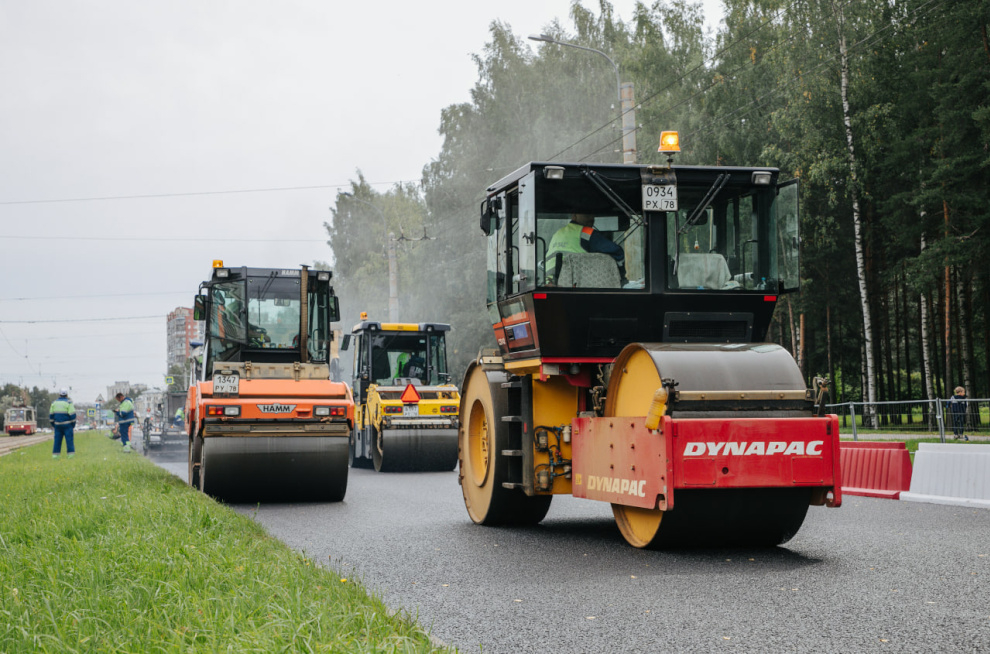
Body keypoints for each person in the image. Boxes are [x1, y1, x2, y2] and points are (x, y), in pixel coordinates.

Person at [545, 214, 628, 285]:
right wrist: (621, 278)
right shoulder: (586, 232)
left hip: (550, 283)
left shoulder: (557, 234)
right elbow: (617, 252)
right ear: (574, 215)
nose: (591, 218)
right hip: (575, 284)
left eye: (592, 214)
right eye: (586, 214)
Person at [49, 389, 77, 459]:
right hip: (68, 425)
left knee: (57, 441)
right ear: (67, 395)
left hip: (57, 425)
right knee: (69, 441)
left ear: (60, 394)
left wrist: (54, 425)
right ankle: (70, 456)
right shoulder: (69, 403)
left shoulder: (54, 403)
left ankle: (55, 456)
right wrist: (73, 425)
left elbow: (51, 416)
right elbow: (73, 415)